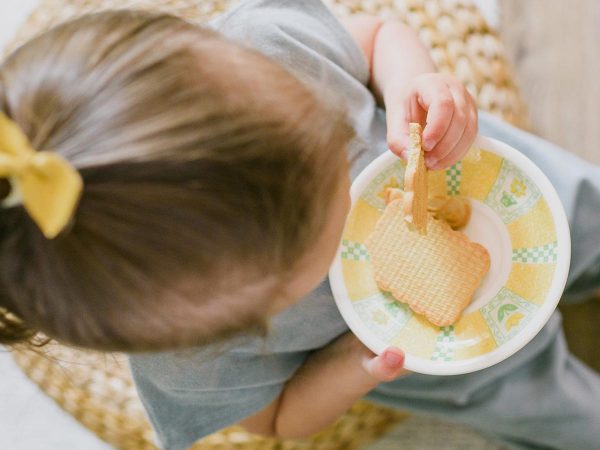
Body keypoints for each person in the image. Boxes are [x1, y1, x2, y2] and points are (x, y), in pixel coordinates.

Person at [0, 1, 599, 449]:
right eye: (326, 240)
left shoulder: (271, 49)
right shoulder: (189, 358)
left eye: (336, 150)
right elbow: (277, 419)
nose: (351, 206)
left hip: (514, 190)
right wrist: (354, 369)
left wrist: (417, 81)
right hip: (437, 361)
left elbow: (377, 36)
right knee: (560, 414)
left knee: (588, 214)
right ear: (242, 320)